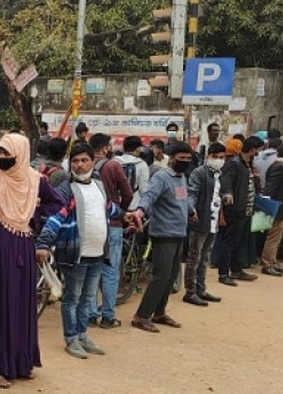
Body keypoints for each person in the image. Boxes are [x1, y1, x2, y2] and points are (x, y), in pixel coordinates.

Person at [0, 133, 65, 387]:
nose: (2, 158)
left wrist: (33, 214)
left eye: (7, 153)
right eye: (0, 153)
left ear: (21, 154)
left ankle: (20, 363)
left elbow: (58, 202)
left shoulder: (35, 181)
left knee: (21, 304)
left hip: (23, 245)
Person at [36, 143, 126, 358]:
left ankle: (83, 335)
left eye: (84, 160)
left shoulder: (98, 185)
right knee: (72, 298)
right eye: (75, 161)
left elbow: (108, 208)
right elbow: (55, 218)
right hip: (75, 255)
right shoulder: (67, 190)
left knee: (87, 298)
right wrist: (43, 244)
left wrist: (125, 215)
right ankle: (71, 339)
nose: (79, 165)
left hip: (97, 254)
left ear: (92, 161)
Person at [129, 141, 193, 333]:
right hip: (164, 233)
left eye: (188, 159)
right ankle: (141, 316)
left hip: (179, 233)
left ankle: (159, 312)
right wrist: (140, 211)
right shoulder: (162, 177)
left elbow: (182, 199)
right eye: (181, 158)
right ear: (172, 158)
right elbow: (149, 196)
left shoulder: (181, 177)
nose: (185, 161)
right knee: (160, 276)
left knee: (171, 276)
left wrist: (191, 211)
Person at [87, 133, 133, 328]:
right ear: (105, 148)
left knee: (91, 269)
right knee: (110, 270)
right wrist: (121, 210)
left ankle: (89, 314)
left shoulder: (83, 164)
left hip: (90, 222)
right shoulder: (113, 166)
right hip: (112, 223)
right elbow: (128, 193)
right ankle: (108, 316)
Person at [183, 142, 226, 306]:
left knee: (205, 257)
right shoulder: (199, 173)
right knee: (194, 256)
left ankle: (201, 289)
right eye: (215, 157)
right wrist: (192, 209)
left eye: (221, 158)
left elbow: (218, 197)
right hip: (199, 221)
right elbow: (192, 192)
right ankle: (190, 291)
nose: (218, 160)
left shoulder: (219, 174)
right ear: (208, 156)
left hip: (213, 221)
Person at [217, 136, 262, 286]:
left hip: (245, 209)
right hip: (235, 210)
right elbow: (226, 181)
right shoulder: (235, 164)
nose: (258, 154)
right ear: (253, 150)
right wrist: (228, 194)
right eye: (258, 151)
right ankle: (223, 273)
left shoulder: (245, 164)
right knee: (230, 242)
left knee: (238, 242)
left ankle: (236, 270)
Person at [259, 143, 283, 276]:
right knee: (273, 237)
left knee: (277, 237)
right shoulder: (280, 167)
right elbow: (270, 188)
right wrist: (268, 205)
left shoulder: (280, 166)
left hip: (280, 206)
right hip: (276, 207)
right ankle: (267, 263)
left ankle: (273, 261)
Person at [116, 135, 150, 209]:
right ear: (138, 149)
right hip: (134, 206)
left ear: (123, 148)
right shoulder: (142, 164)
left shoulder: (113, 162)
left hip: (116, 207)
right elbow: (144, 189)